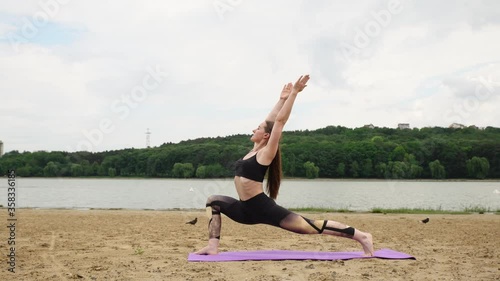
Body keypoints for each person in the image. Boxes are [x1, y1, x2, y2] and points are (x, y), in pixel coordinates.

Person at [195, 74, 374, 256]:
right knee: (213, 201)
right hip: (245, 210)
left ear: (265, 136)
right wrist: (281, 99)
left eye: (257, 128)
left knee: (311, 226)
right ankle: (212, 247)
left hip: (263, 209)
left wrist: (295, 93)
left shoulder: (266, 153)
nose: (253, 129)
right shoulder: (253, 150)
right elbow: (271, 121)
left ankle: (362, 236)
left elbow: (278, 123)